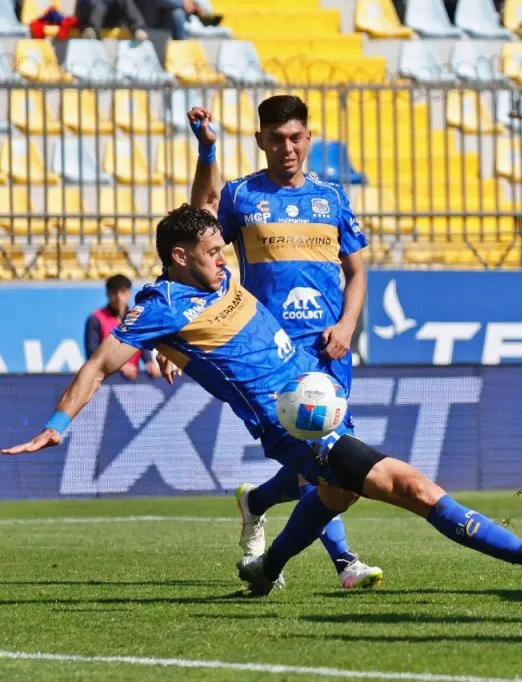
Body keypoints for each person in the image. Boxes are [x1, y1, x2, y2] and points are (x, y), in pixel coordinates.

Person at [2, 205, 522, 596]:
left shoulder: (216, 279)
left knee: (333, 495)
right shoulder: (159, 304)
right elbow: (100, 364)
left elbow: (203, 204)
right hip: (299, 426)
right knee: (416, 488)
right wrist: (58, 424)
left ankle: (266, 565)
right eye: (212, 250)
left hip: (321, 391)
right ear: (180, 257)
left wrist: (207, 150)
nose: (224, 256)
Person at [187, 95, 382, 590]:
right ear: (260, 141)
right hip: (271, 354)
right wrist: (207, 153)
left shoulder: (333, 197)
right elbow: (198, 227)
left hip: (329, 351)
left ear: (309, 139)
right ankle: (345, 562)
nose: (287, 148)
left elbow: (357, 274)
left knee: (323, 462)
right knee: (324, 460)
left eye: (295, 138)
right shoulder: (240, 196)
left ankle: (255, 502)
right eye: (276, 139)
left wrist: (347, 326)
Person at [85, 274, 160, 381]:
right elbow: (92, 353)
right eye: (114, 293)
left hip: (131, 382)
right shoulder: (96, 319)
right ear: (107, 294)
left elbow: (141, 344)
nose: (119, 297)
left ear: (129, 293)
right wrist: (120, 366)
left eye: (123, 292)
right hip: (104, 380)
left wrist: (149, 362)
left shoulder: (136, 316)